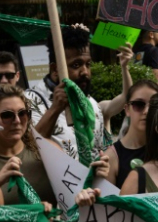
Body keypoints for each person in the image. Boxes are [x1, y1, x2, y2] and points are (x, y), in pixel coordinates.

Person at [0, 84, 108, 222]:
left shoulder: (45, 150)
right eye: (7, 115)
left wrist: (94, 178)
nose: (17, 120)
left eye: (23, 113)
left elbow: (71, 197)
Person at [25, 24, 131, 160]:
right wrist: (55, 109)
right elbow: (28, 150)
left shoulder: (92, 105)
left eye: (88, 64)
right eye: (76, 65)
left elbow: (98, 154)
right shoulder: (29, 102)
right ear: (55, 69)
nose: (85, 72)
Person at [103, 80, 158, 189]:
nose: (147, 111)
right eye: (139, 105)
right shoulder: (111, 157)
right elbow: (106, 204)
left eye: (154, 105)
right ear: (127, 110)